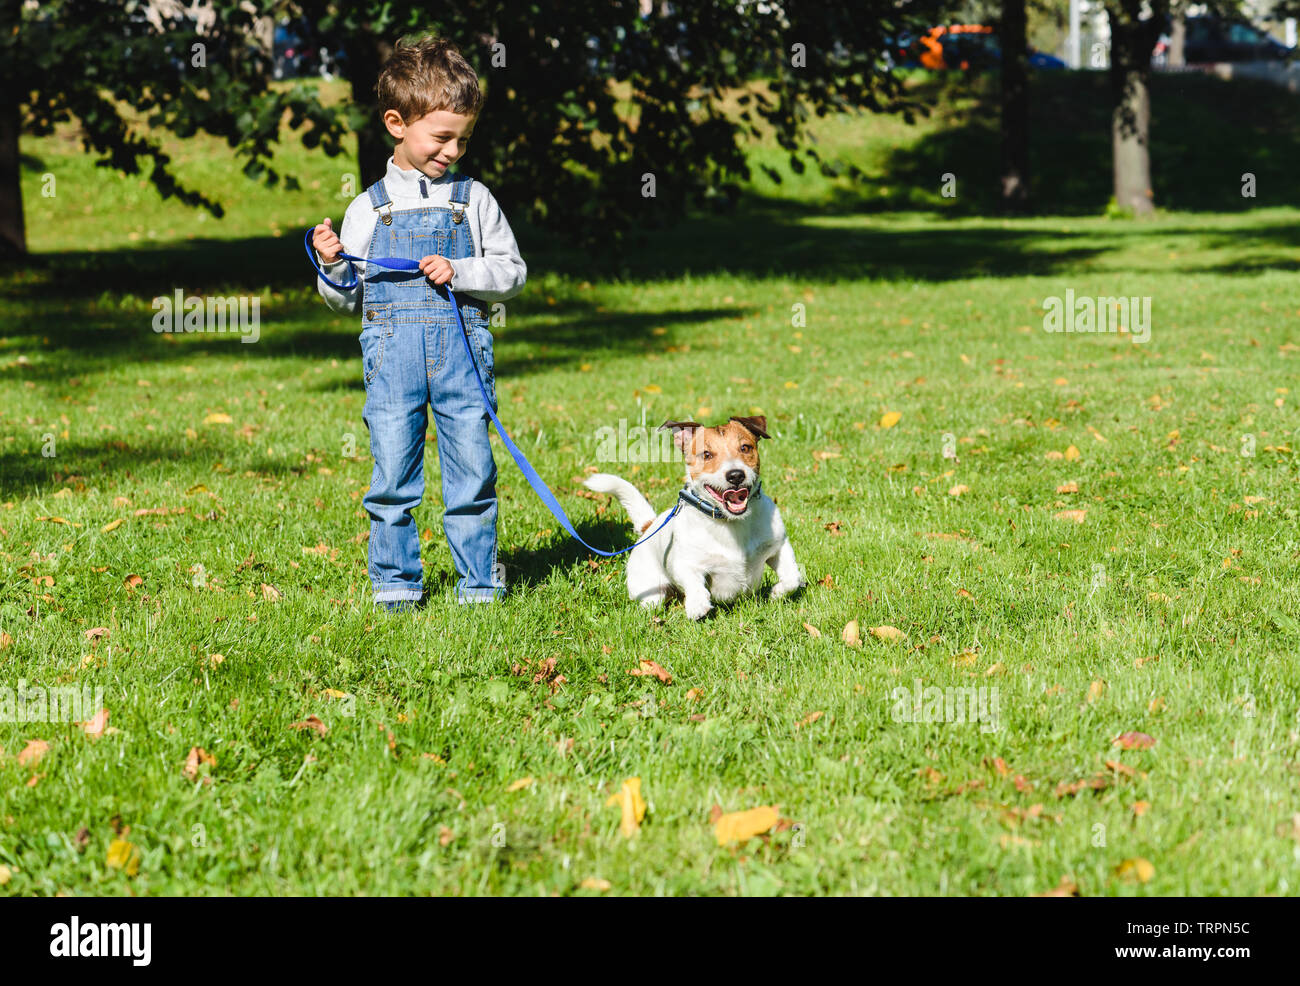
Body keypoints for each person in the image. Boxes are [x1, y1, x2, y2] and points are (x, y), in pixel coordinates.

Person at [311, 35, 526, 611]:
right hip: (392, 362)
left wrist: (462, 268)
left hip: (462, 358)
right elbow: (346, 301)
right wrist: (333, 265)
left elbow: (512, 272)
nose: (453, 150)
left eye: (464, 137)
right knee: (392, 480)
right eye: (442, 136)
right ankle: (397, 584)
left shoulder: (474, 200)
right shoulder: (367, 209)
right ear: (396, 123)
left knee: (472, 474)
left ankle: (480, 584)